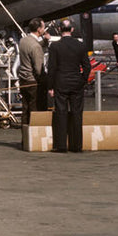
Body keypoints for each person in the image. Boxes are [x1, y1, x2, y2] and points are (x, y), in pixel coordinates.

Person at [47, 19, 90, 153]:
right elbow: (87, 66)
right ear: (72, 30)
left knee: (61, 113)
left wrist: (50, 87)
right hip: (76, 82)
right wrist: (82, 80)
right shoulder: (80, 45)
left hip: (61, 82)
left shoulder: (54, 46)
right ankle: (77, 145)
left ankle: (61, 145)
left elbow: (52, 68)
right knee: (77, 114)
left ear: (59, 30)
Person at [16, 18, 47, 129]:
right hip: (33, 82)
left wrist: (44, 41)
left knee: (25, 109)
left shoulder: (23, 40)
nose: (44, 29)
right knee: (34, 109)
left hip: (23, 80)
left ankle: (25, 135)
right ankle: (34, 135)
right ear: (39, 29)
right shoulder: (36, 47)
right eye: (43, 27)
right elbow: (38, 70)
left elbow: (31, 48)